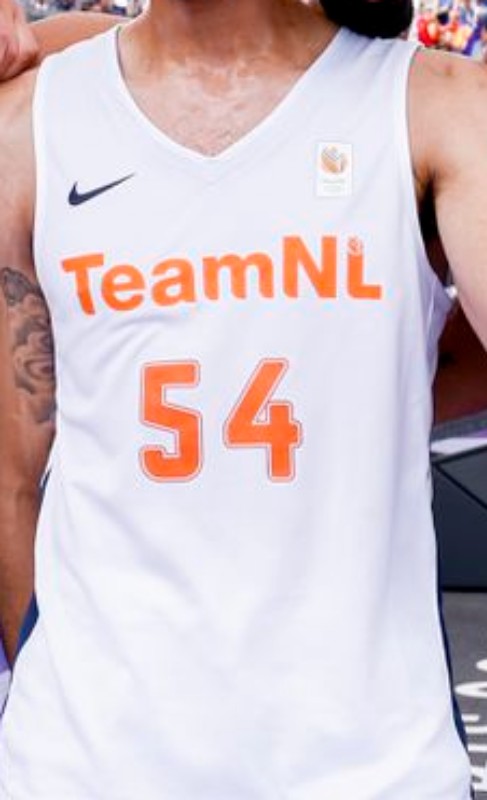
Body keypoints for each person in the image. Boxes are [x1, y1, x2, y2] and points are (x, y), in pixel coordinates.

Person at [0, 0, 486, 797]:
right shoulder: (34, 117)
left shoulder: (434, 107)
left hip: (368, 769)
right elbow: (12, 477)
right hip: (84, 765)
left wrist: (360, 392)